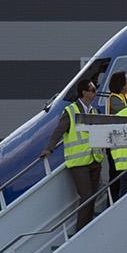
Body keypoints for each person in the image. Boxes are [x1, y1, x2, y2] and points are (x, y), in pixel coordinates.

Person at [40, 77, 102, 231]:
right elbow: (58, 131)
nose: (96, 93)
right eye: (93, 90)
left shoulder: (94, 111)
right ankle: (80, 230)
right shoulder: (71, 111)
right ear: (84, 93)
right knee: (86, 196)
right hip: (79, 163)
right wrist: (49, 148)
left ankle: (89, 227)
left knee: (94, 196)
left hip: (95, 159)